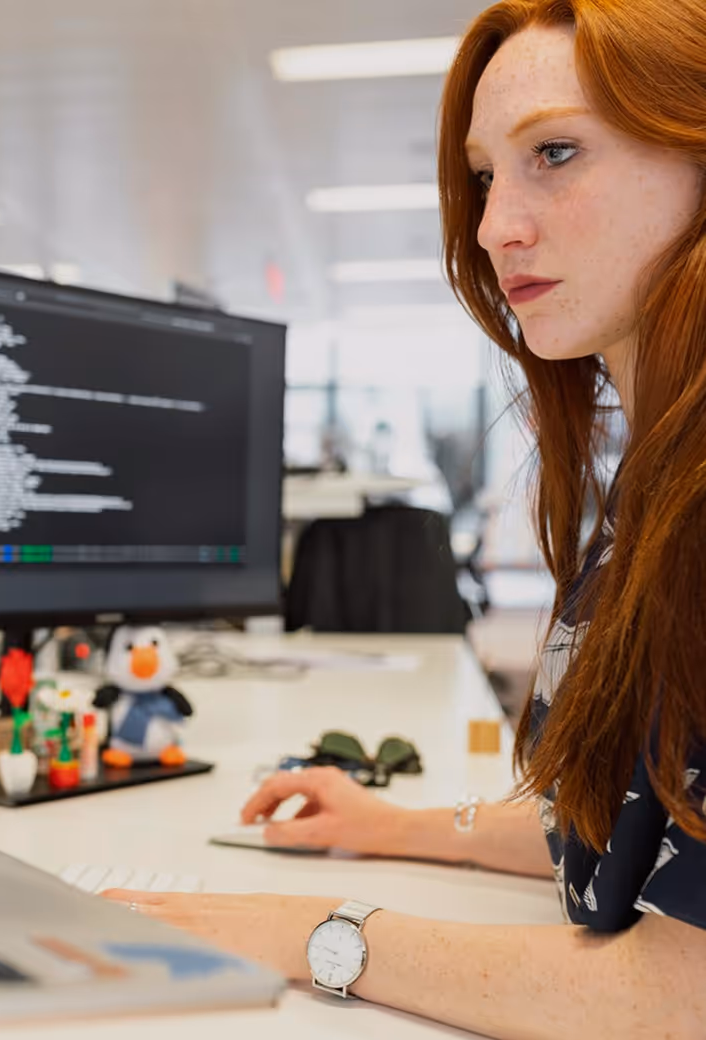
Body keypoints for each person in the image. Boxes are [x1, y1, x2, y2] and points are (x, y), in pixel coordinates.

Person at [104, 2, 706, 1035]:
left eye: (554, 152)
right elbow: (644, 835)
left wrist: (312, 934)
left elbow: (682, 987)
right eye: (484, 176)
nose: (491, 226)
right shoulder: (654, 491)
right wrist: (402, 824)